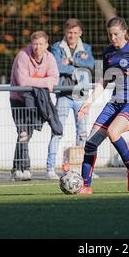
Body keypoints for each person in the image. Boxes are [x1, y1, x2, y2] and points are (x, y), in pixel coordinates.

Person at [76, 16, 129, 195]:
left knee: (113, 132)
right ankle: (86, 185)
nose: (113, 38)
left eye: (116, 34)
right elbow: (104, 80)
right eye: (110, 35)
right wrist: (88, 103)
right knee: (90, 143)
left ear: (124, 32)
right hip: (115, 103)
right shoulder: (108, 53)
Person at [46, 19, 95, 179]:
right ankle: (50, 169)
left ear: (80, 33)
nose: (72, 36)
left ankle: (83, 169)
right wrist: (75, 70)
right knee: (57, 132)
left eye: (75, 33)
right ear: (65, 33)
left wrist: (73, 62)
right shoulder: (56, 47)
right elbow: (57, 66)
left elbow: (91, 64)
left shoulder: (86, 48)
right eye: (69, 33)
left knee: (82, 133)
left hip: (80, 96)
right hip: (64, 95)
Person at [9, 31, 59, 181]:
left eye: (41, 44)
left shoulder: (50, 58)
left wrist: (36, 81)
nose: (37, 47)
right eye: (35, 44)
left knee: (27, 134)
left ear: (46, 45)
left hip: (37, 100)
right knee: (23, 133)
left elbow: (55, 78)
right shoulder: (22, 56)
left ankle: (16, 168)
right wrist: (44, 82)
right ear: (31, 44)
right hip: (19, 100)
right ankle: (24, 168)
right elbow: (23, 81)